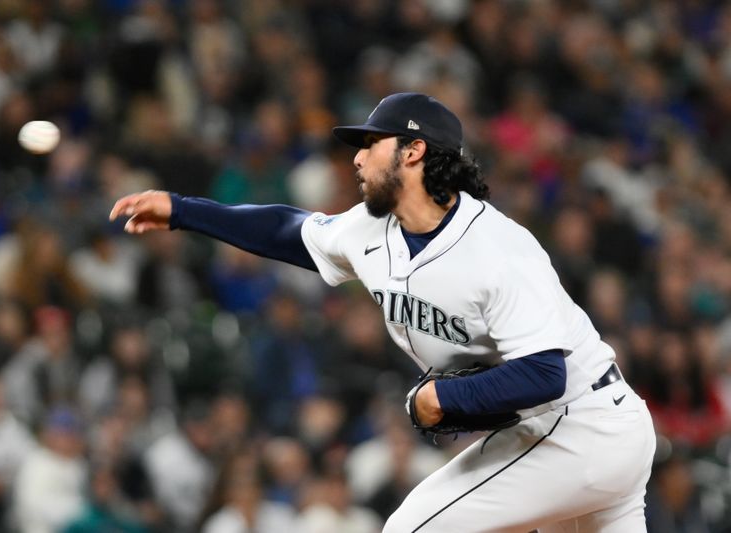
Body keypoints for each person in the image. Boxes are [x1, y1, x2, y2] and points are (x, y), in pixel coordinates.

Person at [110, 92, 656, 532]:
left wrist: (441, 396)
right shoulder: (371, 229)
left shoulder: (499, 248)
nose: (357, 156)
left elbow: (545, 372)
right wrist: (182, 210)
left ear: (414, 151)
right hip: (568, 435)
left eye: (372, 143)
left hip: (579, 424)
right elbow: (283, 229)